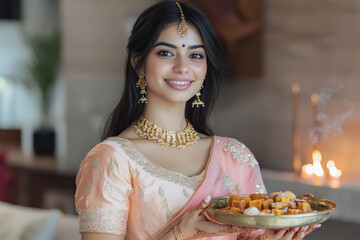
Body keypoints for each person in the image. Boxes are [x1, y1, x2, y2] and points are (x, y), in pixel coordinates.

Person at [75, 1, 320, 239]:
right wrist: (181, 234)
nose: (183, 67)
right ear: (137, 61)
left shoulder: (236, 156)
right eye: (166, 52)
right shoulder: (112, 160)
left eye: (195, 55)